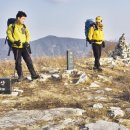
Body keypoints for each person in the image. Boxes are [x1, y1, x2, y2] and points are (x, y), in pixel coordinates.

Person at [7, 11, 39, 82]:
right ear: (18, 18)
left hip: (24, 47)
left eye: (24, 19)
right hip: (16, 47)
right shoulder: (11, 26)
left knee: (29, 61)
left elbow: (28, 35)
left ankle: (34, 75)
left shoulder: (24, 26)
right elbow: (9, 35)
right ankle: (20, 76)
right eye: (23, 19)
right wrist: (14, 41)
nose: (24, 20)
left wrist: (27, 42)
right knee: (18, 62)